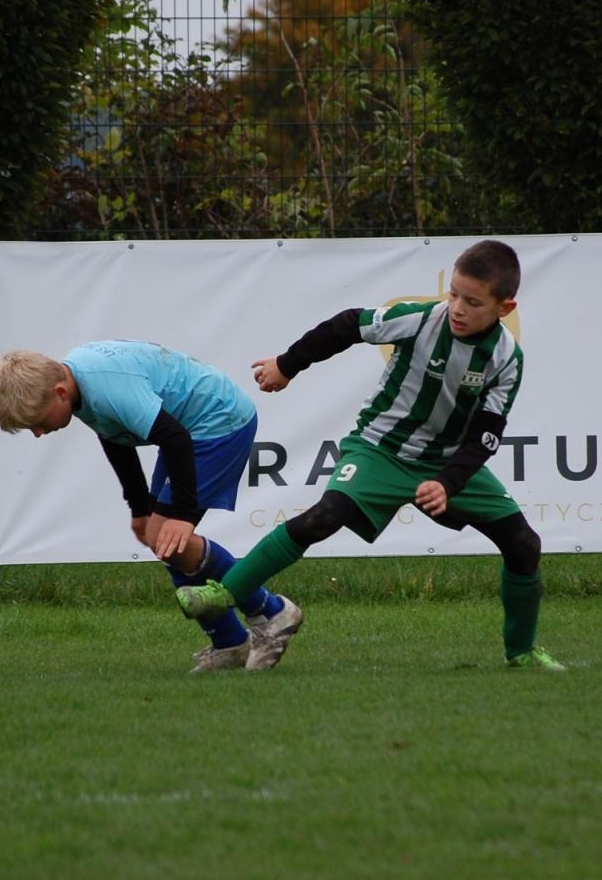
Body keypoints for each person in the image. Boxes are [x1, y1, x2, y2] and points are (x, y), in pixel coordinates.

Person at [177, 239, 564, 671]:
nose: (456, 307)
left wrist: (446, 482)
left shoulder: (507, 359)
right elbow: (347, 325)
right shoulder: (418, 320)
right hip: (380, 448)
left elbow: (487, 435)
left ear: (504, 308)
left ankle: (522, 652)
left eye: (472, 302)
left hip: (448, 463)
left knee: (524, 544)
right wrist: (288, 365)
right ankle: (224, 595)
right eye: (453, 293)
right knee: (324, 515)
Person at [0, 344, 302, 673]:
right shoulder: (77, 386)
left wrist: (182, 515)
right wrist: (138, 507)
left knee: (168, 537)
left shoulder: (106, 387)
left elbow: (174, 438)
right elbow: (114, 436)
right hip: (188, 428)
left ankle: (270, 612)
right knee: (161, 538)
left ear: (60, 392)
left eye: (36, 422)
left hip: (219, 423)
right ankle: (231, 642)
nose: (37, 433)